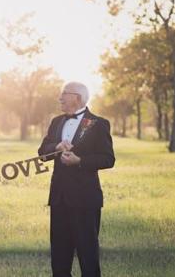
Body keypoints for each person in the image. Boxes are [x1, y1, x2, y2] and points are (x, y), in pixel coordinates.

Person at [38, 82, 115, 277]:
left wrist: (80, 161)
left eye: (64, 93)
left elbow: (108, 159)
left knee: (88, 255)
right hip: (59, 199)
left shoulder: (98, 123)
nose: (60, 98)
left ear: (77, 98)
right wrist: (56, 147)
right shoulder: (56, 122)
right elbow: (42, 152)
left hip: (85, 200)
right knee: (59, 257)